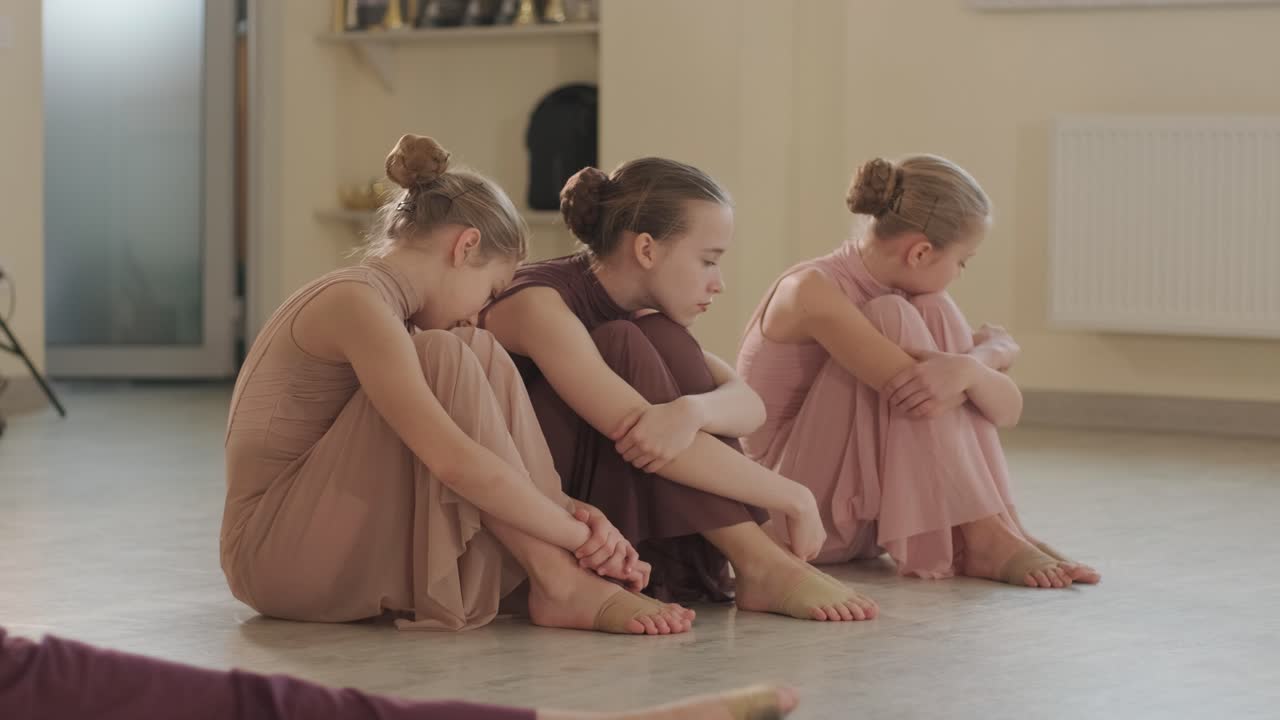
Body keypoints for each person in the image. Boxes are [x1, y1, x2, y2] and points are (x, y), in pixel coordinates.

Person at [220, 134, 693, 636]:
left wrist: (575, 512)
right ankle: (560, 582)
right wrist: (579, 537)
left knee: (474, 348)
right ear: (465, 246)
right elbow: (453, 461)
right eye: (490, 290)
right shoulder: (356, 304)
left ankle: (557, 577)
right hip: (272, 557)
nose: (479, 310)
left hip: (313, 532)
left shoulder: (380, 306)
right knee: (447, 353)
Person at [482, 158, 877, 622]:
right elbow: (641, 433)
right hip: (532, 525)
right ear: (646, 249)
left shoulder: (639, 310)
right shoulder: (540, 305)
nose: (719, 282)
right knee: (624, 342)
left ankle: (759, 562)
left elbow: (749, 406)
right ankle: (760, 561)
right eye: (708, 260)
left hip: (615, 492)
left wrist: (692, 412)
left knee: (660, 340)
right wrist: (794, 496)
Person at [736, 155, 1101, 588]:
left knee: (930, 308)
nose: (959, 274)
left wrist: (975, 363)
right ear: (921, 252)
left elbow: (1006, 409)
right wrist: (992, 355)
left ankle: (1005, 527)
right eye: (963, 262)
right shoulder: (811, 291)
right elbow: (930, 392)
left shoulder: (919, 300)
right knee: (895, 315)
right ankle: (985, 537)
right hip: (797, 516)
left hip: (866, 517)